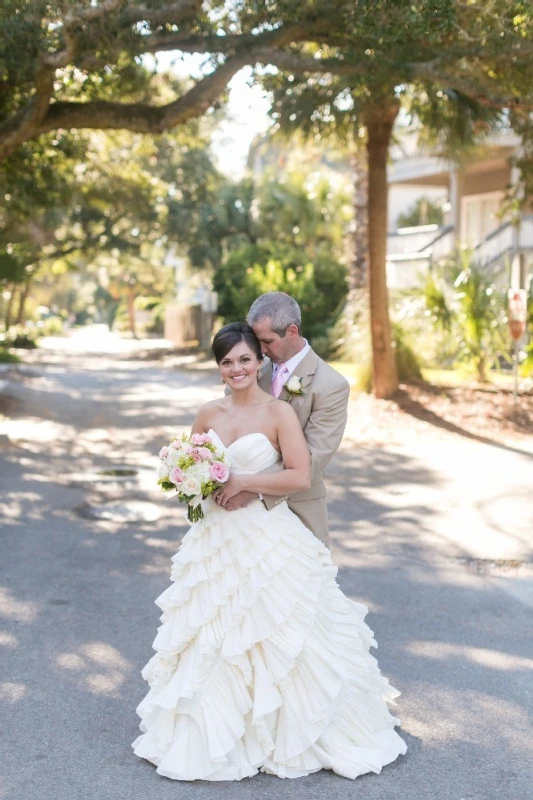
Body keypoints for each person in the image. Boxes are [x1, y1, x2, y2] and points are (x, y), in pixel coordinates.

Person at [132, 321, 407, 782]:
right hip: (216, 541)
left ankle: (287, 727)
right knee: (216, 631)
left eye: (244, 359)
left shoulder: (279, 413)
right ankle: (217, 731)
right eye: (226, 362)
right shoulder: (207, 414)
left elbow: (300, 475)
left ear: (260, 361)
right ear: (218, 368)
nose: (236, 368)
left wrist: (244, 483)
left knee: (279, 629)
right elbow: (190, 468)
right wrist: (193, 485)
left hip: (266, 537)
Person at [222, 292, 350, 549]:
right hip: (236, 517)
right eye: (257, 343)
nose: (262, 350)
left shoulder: (331, 385)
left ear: (292, 331)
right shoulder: (249, 372)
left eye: (267, 341)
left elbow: (313, 458)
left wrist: (249, 489)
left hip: (296, 510)